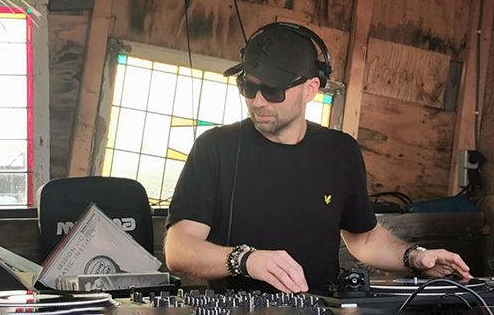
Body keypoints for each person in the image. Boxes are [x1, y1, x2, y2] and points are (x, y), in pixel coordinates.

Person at [163, 22, 472, 294]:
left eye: (272, 91)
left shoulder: (340, 151)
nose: (257, 101)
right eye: (248, 86)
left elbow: (365, 240)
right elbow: (178, 249)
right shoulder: (215, 147)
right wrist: (245, 260)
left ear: (310, 89)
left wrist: (416, 257)